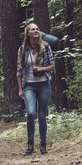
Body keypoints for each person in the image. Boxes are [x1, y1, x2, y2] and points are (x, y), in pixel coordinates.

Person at [17, 23, 55, 155]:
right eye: (33, 29)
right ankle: (30, 142)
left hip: (44, 84)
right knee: (31, 113)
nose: (36, 31)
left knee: (42, 115)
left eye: (37, 29)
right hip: (29, 86)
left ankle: (43, 144)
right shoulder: (22, 49)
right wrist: (20, 89)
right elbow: (19, 71)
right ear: (28, 33)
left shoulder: (45, 47)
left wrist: (42, 69)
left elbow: (52, 66)